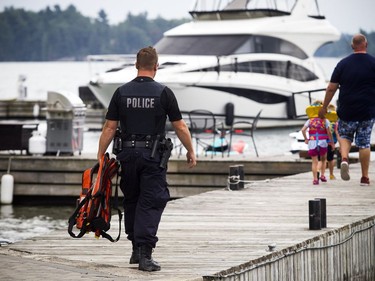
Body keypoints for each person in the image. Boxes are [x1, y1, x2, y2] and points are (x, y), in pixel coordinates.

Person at [96, 46, 197, 272]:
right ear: (156, 66)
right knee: (151, 200)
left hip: (127, 156)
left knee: (132, 198)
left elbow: (109, 128)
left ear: (136, 65)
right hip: (152, 157)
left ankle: (135, 249)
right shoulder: (164, 93)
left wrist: (101, 154)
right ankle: (145, 255)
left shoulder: (121, 92)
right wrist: (190, 150)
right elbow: (180, 126)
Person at [319, 34, 375, 185]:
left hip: (347, 110)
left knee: (344, 136)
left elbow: (331, 88)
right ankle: (364, 177)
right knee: (364, 143)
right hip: (367, 110)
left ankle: (344, 158)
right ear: (366, 44)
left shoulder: (343, 64)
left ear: (352, 46)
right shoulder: (373, 63)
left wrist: (324, 107)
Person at [302, 100, 334, 185]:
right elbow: (329, 132)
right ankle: (322, 175)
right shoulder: (325, 120)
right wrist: (331, 142)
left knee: (314, 161)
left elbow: (303, 130)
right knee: (323, 160)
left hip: (312, 142)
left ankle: (315, 179)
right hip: (323, 141)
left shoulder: (310, 120)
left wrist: (306, 139)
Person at [325, 103, 340, 180]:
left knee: (322, 159)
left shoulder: (324, 122)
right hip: (331, 143)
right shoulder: (336, 123)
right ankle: (331, 175)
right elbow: (337, 134)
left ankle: (321, 174)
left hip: (322, 142)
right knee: (330, 159)